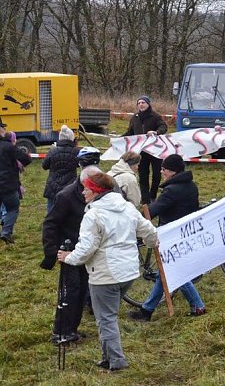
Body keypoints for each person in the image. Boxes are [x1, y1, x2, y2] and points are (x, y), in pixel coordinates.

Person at [57, 171, 158, 373]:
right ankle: (107, 357)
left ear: (95, 191)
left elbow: (86, 249)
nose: (83, 191)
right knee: (107, 315)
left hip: (105, 275)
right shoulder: (127, 207)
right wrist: (151, 243)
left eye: (86, 188)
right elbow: (150, 232)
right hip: (128, 273)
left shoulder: (93, 215)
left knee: (106, 318)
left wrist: (68, 257)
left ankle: (117, 361)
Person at [130, 153, 206, 320]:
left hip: (171, 236)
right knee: (165, 273)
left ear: (172, 171)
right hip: (184, 234)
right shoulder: (191, 185)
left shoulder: (172, 190)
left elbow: (154, 210)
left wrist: (132, 218)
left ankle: (199, 306)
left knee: (174, 272)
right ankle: (147, 310)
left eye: (164, 168)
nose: (162, 171)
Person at [40, 164, 101, 344]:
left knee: (82, 291)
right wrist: (52, 253)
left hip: (89, 251)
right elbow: (50, 223)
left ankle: (72, 330)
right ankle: (60, 333)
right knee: (70, 292)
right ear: (84, 184)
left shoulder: (98, 196)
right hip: (70, 251)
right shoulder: (65, 197)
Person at [123, 96, 167, 205]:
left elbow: (163, 127)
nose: (141, 105)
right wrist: (117, 140)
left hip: (155, 150)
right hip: (141, 152)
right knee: (143, 175)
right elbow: (130, 133)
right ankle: (146, 200)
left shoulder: (155, 116)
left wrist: (156, 132)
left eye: (143, 102)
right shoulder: (135, 118)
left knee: (157, 174)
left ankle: (153, 195)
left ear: (148, 104)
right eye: (139, 103)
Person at [0, 117, 33, 244]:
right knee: (13, 208)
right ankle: (6, 232)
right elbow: (26, 159)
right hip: (8, 185)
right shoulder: (8, 147)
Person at [42, 124, 79, 212]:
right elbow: (80, 164)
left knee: (51, 211)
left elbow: (44, 166)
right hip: (70, 185)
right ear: (72, 137)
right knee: (69, 211)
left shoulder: (52, 151)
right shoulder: (76, 151)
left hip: (53, 185)